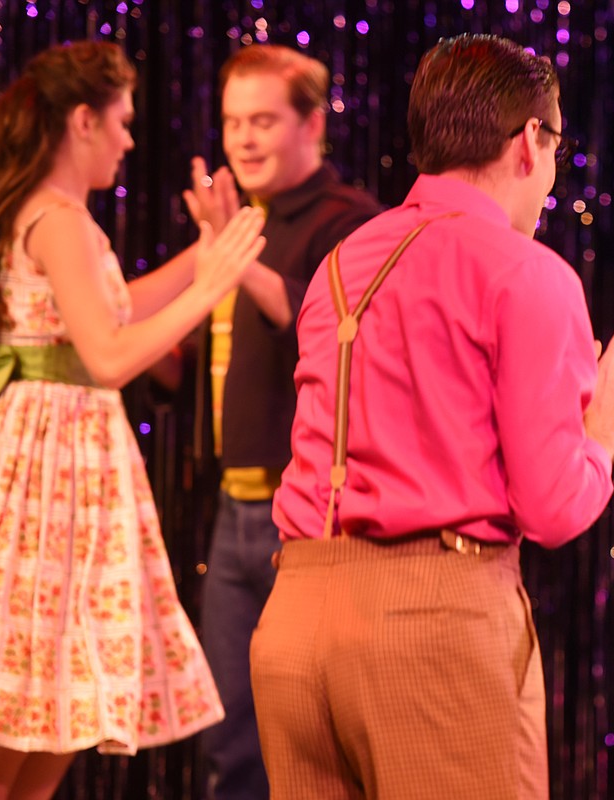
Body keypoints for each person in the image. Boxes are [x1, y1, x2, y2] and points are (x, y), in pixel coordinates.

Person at [248, 34, 614, 800]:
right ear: (531, 142)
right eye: (558, 144)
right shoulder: (526, 273)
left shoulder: (343, 261)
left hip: (294, 625)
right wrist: (608, 422)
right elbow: (551, 509)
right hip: (428, 627)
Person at [0, 41, 266, 800]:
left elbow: (111, 308)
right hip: (41, 471)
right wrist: (211, 287)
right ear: (84, 120)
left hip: (70, 464)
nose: (131, 139)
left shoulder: (60, 216)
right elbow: (106, 355)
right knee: (11, 732)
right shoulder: (58, 218)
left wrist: (205, 255)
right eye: (123, 122)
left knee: (54, 722)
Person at [180, 44, 380, 800]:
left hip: (303, 521)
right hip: (232, 510)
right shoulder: (245, 224)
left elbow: (337, 330)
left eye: (263, 120)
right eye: (233, 123)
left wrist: (236, 259)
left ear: (312, 123)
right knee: (229, 739)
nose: (244, 139)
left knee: (305, 736)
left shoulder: (350, 221)